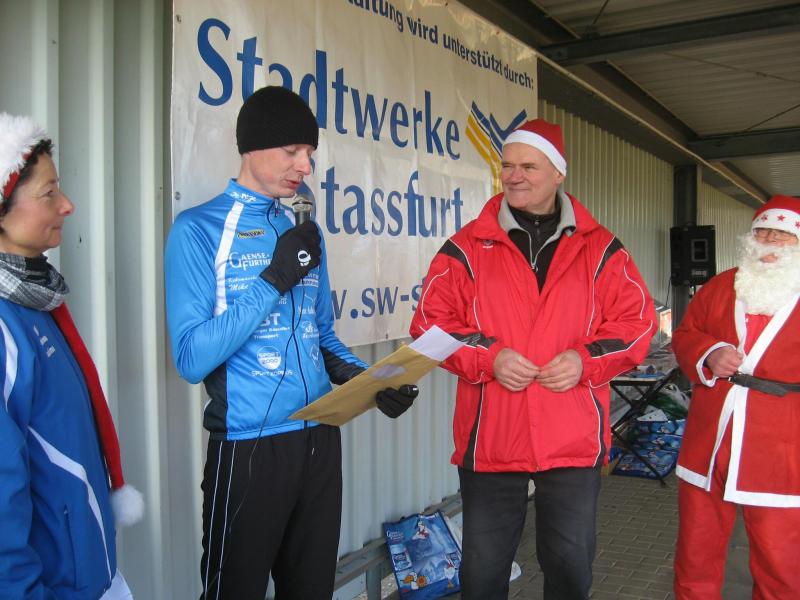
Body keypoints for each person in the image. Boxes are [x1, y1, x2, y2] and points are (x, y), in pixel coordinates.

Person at [164, 86, 418, 599]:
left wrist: (375, 384)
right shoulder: (198, 230)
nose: (305, 166)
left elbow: (321, 337)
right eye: (292, 151)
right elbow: (191, 358)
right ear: (252, 147)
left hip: (319, 441)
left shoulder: (303, 231)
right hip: (249, 447)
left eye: (309, 153)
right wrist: (273, 280)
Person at [410, 118, 655, 599]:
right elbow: (429, 327)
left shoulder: (602, 249)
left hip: (571, 436)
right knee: (483, 574)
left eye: (528, 166)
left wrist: (585, 361)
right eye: (507, 165)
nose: (514, 176)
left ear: (558, 173)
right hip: (492, 438)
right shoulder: (465, 248)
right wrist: (490, 358)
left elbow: (638, 324)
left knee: (570, 569)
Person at [0, 113, 143, 598]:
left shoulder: (36, 303)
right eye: (48, 193)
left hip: (91, 577)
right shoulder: (6, 326)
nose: (67, 205)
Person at [672, 194, 800, 599]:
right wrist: (709, 352)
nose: (769, 240)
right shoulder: (721, 284)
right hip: (711, 437)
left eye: (782, 234)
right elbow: (686, 334)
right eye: (763, 231)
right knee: (696, 549)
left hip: (782, 444)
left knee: (780, 558)